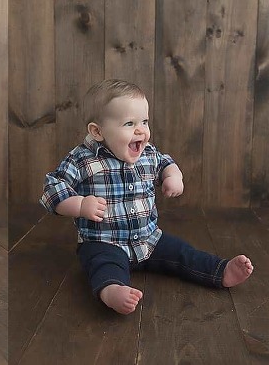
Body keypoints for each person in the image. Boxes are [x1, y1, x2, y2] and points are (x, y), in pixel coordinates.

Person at [40, 79, 253, 314]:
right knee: (102, 265)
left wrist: (174, 177)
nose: (141, 129)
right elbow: (53, 189)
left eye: (144, 121)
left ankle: (220, 271)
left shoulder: (148, 153)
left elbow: (166, 163)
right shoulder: (82, 159)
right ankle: (111, 290)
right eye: (129, 123)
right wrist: (79, 204)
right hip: (103, 242)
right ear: (97, 131)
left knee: (183, 253)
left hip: (149, 239)